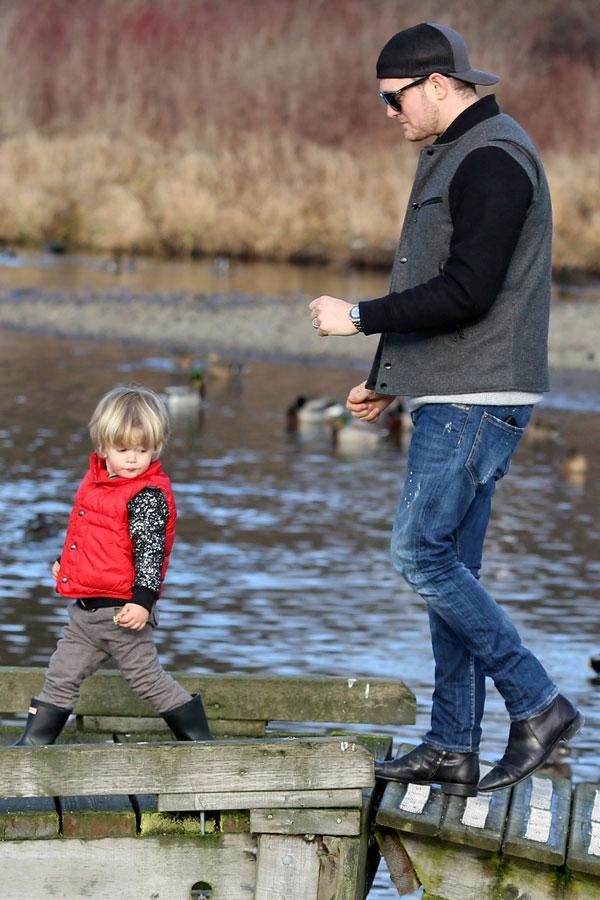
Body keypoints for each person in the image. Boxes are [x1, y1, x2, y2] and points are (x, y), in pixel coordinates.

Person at [308, 22, 582, 796]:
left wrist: (360, 315)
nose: (389, 114)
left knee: (417, 554)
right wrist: (390, 376)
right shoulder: (465, 149)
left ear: (436, 84)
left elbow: (469, 292)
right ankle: (451, 745)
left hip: (475, 397)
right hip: (460, 388)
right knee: (451, 569)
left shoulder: (492, 157)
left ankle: (537, 704)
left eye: (394, 100)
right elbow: (451, 285)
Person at [14, 385, 213, 745]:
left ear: (157, 447)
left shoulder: (147, 495)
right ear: (103, 446)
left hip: (124, 612)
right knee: (61, 674)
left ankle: (199, 742)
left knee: (146, 679)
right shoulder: (96, 485)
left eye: (143, 450)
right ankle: (33, 747)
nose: (134, 459)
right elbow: (91, 537)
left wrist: (143, 601)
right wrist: (65, 564)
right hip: (86, 614)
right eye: (123, 450)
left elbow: (151, 554)